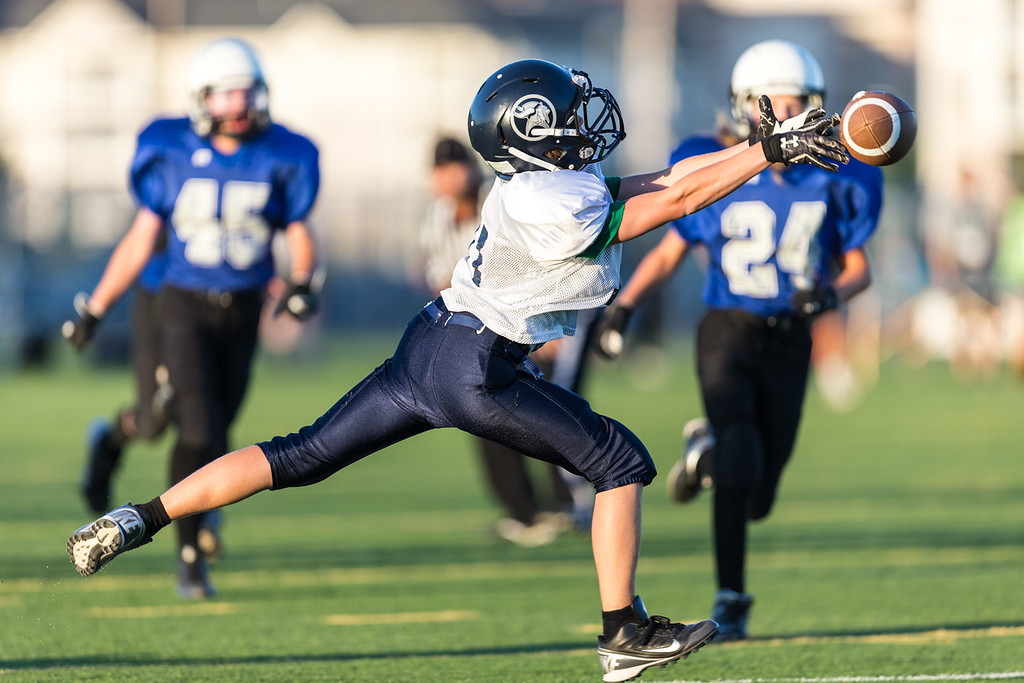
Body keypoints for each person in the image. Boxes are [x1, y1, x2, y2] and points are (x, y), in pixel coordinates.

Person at [67, 58, 846, 682]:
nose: (583, 122)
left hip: (430, 343)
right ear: (534, 131)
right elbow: (672, 203)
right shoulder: (552, 199)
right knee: (621, 461)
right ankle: (624, 633)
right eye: (567, 115)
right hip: (478, 366)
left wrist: (766, 147)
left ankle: (139, 517)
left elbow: (666, 184)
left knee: (295, 454)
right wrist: (770, 149)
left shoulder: (535, 185)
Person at [592, 40, 882, 642]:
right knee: (744, 452)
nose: (787, 115)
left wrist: (828, 297)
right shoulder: (712, 163)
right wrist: (624, 308)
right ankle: (732, 595)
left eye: (797, 103)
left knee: (760, 491)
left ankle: (709, 455)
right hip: (725, 330)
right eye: (770, 102)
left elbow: (859, 268)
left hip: (790, 337)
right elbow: (673, 247)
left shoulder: (839, 178)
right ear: (743, 107)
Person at [62, 36, 321, 599]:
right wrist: (96, 307)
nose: (240, 105)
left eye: (247, 92)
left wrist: (302, 281)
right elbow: (142, 237)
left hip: (244, 304)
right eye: (228, 94)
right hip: (180, 301)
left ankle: (147, 467)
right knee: (187, 424)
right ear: (202, 99)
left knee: (216, 426)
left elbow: (298, 231)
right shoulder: (169, 148)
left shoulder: (284, 153)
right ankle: (188, 553)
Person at [418, 136, 593, 546]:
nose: (449, 176)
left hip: (540, 318)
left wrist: (550, 322)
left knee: (554, 409)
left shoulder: (499, 199)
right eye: (441, 169)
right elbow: (444, 281)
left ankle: (573, 502)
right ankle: (525, 511)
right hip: (487, 329)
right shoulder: (437, 219)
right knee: (482, 411)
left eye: (454, 165)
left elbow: (546, 262)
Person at [76, 251, 173, 516]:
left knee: (209, 412)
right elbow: (141, 237)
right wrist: (95, 310)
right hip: (163, 294)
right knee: (152, 423)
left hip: (226, 301)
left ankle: (204, 518)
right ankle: (106, 443)